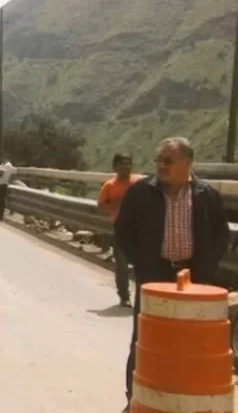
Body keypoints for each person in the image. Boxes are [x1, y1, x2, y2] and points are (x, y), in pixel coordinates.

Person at [114, 137, 230, 412]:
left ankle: (179, 399)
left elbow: (220, 235)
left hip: (193, 279)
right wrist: (143, 266)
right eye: (158, 160)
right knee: (144, 338)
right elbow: (123, 231)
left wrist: (204, 270)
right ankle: (135, 399)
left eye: (168, 161)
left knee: (190, 340)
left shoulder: (206, 195)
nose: (161, 166)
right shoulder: (140, 192)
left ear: (187, 163)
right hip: (154, 276)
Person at [96, 153, 140, 308]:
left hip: (139, 228)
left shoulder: (139, 183)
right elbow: (101, 207)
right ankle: (124, 296)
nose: (125, 166)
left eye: (128, 163)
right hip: (121, 228)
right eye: (121, 163)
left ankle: (142, 297)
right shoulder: (109, 186)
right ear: (115, 167)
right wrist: (118, 202)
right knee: (121, 264)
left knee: (142, 265)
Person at [0, 157, 16, 221]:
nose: (2, 159)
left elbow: (0, 173)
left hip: (2, 185)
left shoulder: (8, 165)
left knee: (0, 201)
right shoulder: (2, 165)